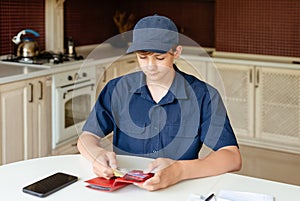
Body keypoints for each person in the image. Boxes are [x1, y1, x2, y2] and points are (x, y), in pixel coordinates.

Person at [77, 14, 242, 191]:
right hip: (127, 191)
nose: (150, 66)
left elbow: (231, 157)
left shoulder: (204, 95)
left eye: (159, 58)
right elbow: (87, 137)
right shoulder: (117, 89)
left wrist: (179, 170)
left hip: (181, 190)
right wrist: (96, 155)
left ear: (176, 52)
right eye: (143, 57)